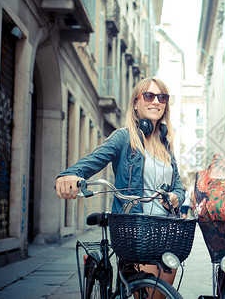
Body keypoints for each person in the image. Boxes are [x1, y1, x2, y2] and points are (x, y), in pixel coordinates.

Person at [55, 77, 185, 297]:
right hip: (135, 229)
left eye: (162, 97)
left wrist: (175, 196)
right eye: (149, 96)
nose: (156, 102)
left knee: (162, 294)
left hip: (165, 229)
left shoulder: (166, 144)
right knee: (149, 293)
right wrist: (70, 175)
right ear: (135, 103)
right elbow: (94, 160)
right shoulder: (124, 138)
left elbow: (179, 187)